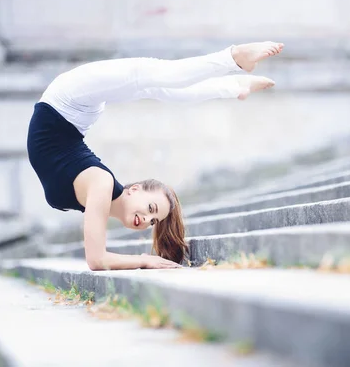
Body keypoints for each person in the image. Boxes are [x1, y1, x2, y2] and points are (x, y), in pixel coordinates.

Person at [26, 42, 284, 271]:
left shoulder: (100, 193)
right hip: (68, 99)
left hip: (73, 110)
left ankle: (235, 86)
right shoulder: (102, 184)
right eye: (151, 211)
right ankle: (235, 56)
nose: (147, 220)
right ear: (134, 189)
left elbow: (97, 259)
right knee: (150, 75)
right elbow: (97, 260)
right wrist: (144, 260)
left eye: (153, 219)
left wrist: (146, 260)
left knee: (156, 86)